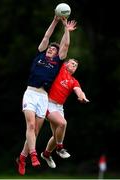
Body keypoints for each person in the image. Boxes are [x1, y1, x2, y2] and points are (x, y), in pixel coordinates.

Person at [17, 15, 77, 175]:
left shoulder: (57, 62)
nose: (51, 49)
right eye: (50, 48)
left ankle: (22, 157)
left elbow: (66, 44)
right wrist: (56, 21)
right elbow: (46, 36)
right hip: (30, 93)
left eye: (54, 49)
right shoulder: (39, 55)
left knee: (35, 131)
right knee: (30, 126)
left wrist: (66, 28)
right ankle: (34, 155)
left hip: (43, 97)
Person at [40, 59, 89, 168]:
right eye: (72, 63)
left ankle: (46, 154)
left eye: (76, 65)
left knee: (55, 135)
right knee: (63, 123)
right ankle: (60, 148)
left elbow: (79, 91)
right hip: (49, 104)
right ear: (66, 64)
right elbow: (63, 52)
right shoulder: (61, 69)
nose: (74, 66)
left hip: (59, 108)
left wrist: (82, 97)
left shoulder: (74, 81)